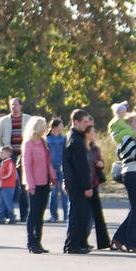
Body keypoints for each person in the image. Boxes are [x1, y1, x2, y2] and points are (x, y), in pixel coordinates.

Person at [111, 113, 136, 252]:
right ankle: (131, 243)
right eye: (135, 121)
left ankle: (119, 238)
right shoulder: (126, 137)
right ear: (129, 124)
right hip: (132, 174)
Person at [0, 97, 32, 221]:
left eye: (15, 104)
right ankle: (6, 214)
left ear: (21, 106)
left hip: (23, 155)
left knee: (24, 185)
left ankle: (24, 214)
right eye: (11, 105)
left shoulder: (28, 119)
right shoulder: (3, 120)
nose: (13, 107)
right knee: (7, 187)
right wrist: (0, 151)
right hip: (9, 157)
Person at [62, 109, 94, 254]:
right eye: (85, 122)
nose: (87, 124)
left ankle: (79, 243)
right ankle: (72, 245)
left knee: (81, 214)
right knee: (77, 215)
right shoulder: (75, 140)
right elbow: (80, 167)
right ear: (76, 122)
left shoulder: (73, 137)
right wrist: (87, 186)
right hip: (77, 184)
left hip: (74, 182)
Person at [22, 116, 55, 253]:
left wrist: (53, 177)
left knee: (40, 213)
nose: (45, 128)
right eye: (43, 125)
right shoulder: (28, 144)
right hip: (34, 183)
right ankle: (31, 242)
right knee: (34, 213)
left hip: (45, 181)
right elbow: (27, 165)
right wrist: (30, 184)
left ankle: (38, 242)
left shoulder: (43, 142)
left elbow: (48, 162)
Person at [84, 124, 111, 251]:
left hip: (94, 183)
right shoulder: (81, 147)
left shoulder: (95, 148)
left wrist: (101, 163)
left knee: (97, 214)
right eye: (93, 131)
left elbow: (100, 161)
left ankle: (104, 243)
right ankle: (82, 240)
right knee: (84, 214)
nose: (95, 133)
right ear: (87, 133)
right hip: (84, 184)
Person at [46, 119, 68, 223]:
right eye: (61, 125)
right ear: (54, 127)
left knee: (65, 192)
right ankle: (53, 215)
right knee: (53, 192)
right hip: (52, 168)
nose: (62, 127)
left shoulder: (64, 138)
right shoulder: (47, 139)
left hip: (63, 167)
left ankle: (67, 215)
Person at [0, 147, 17, 224]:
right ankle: (1, 218)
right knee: (2, 203)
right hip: (3, 186)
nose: (0, 154)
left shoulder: (9, 163)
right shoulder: (3, 163)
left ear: (8, 154)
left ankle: (12, 217)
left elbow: (9, 174)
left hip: (8, 186)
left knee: (8, 203)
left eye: (2, 152)